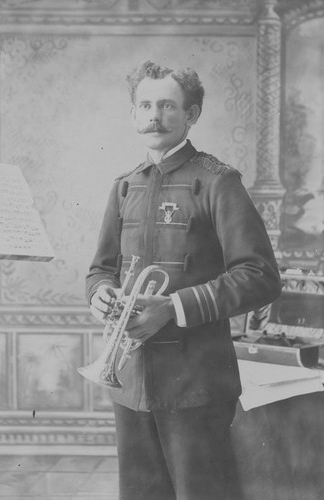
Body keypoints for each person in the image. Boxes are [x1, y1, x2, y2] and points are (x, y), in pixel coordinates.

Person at [84, 60, 281, 500]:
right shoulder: (124, 186)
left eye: (169, 106)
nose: (155, 115)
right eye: (146, 105)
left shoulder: (218, 181)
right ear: (134, 115)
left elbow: (260, 276)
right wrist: (101, 294)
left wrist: (170, 309)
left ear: (191, 115)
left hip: (197, 384)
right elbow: (101, 269)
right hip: (130, 382)